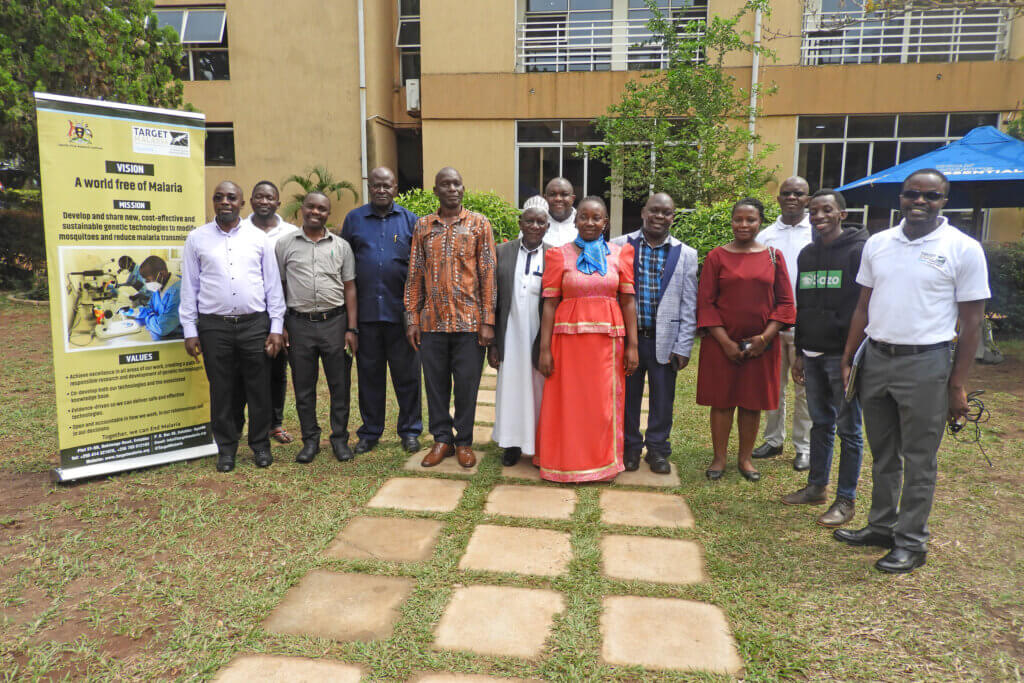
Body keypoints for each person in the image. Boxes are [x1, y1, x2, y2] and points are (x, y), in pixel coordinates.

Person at [835, 169, 989, 574]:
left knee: (920, 458)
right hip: (876, 359)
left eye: (930, 196)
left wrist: (957, 385)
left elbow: (972, 322)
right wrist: (849, 357)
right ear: (900, 198)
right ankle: (881, 526)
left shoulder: (963, 249)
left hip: (926, 363)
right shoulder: (879, 243)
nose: (920, 201)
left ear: (944, 201)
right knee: (883, 453)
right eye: (912, 194)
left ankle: (911, 542)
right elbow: (863, 307)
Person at [179, 181, 286, 473]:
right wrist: (189, 330)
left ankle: (260, 446)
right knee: (222, 390)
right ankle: (226, 449)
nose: (224, 202)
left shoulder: (258, 238)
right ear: (213, 203)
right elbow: (190, 287)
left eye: (231, 197)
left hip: (254, 324)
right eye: (219, 197)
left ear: (241, 203)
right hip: (214, 326)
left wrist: (276, 327)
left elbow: (272, 285)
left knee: (259, 388)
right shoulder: (197, 239)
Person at [536, 196, 638, 482]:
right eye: (584, 216)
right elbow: (549, 304)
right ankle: (565, 462)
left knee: (602, 406)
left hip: (608, 344)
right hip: (568, 345)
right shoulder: (558, 255)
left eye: (596, 217)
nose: (589, 222)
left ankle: (603, 463)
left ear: (605, 222)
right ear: (576, 219)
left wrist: (633, 345)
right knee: (569, 403)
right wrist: (544, 349)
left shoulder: (621, 254)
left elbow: (628, 301)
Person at [782, 190, 867, 527]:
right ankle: (816, 487)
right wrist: (800, 352)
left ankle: (845, 500)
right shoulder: (807, 254)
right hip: (812, 353)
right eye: (813, 211)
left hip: (842, 356)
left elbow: (864, 307)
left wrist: (851, 357)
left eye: (826, 210)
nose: (818, 216)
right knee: (820, 423)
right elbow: (803, 305)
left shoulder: (858, 251)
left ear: (842, 214)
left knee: (849, 429)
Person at [696, 198, 796, 482]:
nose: (743, 225)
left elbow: (785, 303)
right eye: (738, 219)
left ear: (760, 222)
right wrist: (725, 342)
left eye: (750, 220)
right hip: (721, 343)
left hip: (761, 346)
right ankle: (719, 458)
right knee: (722, 401)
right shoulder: (716, 257)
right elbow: (705, 303)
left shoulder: (773, 256)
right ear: (731, 221)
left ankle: (745, 459)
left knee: (752, 402)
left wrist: (764, 338)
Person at [405, 167, 496, 469]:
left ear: (463, 188)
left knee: (467, 386)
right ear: (436, 191)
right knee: (436, 386)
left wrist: (488, 321)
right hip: (432, 323)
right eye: (445, 184)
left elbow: (488, 273)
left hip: (469, 324)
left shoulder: (479, 224)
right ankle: (442, 439)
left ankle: (464, 442)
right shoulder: (423, 226)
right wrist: (412, 318)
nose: (452, 189)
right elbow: (415, 274)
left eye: (457, 184)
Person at [611, 193, 697, 474]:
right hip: (630, 341)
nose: (659, 216)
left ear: (673, 216)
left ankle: (658, 450)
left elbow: (689, 303)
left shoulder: (686, 254)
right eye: (654, 210)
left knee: (662, 400)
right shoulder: (619, 246)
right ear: (643, 212)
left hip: (666, 342)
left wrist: (683, 346)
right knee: (628, 397)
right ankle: (630, 447)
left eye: (666, 212)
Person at [341, 166, 422, 455]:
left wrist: (414, 315)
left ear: (396, 188)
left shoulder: (411, 221)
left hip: (401, 316)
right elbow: (345, 266)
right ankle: (370, 432)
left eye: (387, 185)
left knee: (407, 377)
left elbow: (419, 270)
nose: (381, 190)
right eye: (376, 185)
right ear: (369, 187)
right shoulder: (354, 220)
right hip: (366, 316)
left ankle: (410, 431)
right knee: (369, 377)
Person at [276, 192, 359, 463]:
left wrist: (351, 329)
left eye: (322, 209)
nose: (315, 212)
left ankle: (339, 439)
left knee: (340, 385)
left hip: (334, 323)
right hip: (298, 324)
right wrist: (281, 324)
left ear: (328, 213)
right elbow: (279, 286)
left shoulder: (342, 246)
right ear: (302, 209)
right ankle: (310, 441)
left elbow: (350, 288)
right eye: (311, 207)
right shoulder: (285, 244)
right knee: (303, 387)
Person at [754, 176, 814, 470]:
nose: (792, 198)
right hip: (774, 325)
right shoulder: (765, 236)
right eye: (786, 193)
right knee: (773, 387)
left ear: (807, 200)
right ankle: (773, 439)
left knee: (805, 389)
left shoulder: (816, 233)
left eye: (798, 194)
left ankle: (804, 447)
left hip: (808, 325)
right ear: (778, 199)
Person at [489, 199, 550, 467]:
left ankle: (538, 443)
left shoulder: (555, 255)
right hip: (510, 333)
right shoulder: (502, 252)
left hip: (540, 335)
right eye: (529, 221)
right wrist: (493, 343)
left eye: (540, 222)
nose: (535, 226)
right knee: (511, 388)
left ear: (547, 227)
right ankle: (512, 443)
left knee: (539, 390)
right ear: (520, 224)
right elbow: (493, 299)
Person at [244, 181, 299, 445]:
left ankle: (275, 424)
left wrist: (284, 321)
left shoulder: (290, 233)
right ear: (250, 200)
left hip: (283, 312)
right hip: (250, 311)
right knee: (248, 370)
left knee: (277, 370)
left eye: (269, 197)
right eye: (259, 197)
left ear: (278, 202)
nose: (264, 201)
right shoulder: (238, 230)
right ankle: (243, 424)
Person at [119, 256, 183, 340]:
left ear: (161, 274)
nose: (146, 283)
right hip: (165, 335)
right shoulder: (159, 286)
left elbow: (162, 328)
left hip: (180, 340)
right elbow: (150, 308)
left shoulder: (179, 291)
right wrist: (132, 312)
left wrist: (149, 318)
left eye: (148, 280)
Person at [520, 177, 578, 247]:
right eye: (552, 194)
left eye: (564, 194)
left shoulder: (583, 223)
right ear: (545, 198)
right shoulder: (533, 225)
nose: (558, 199)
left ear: (573, 199)